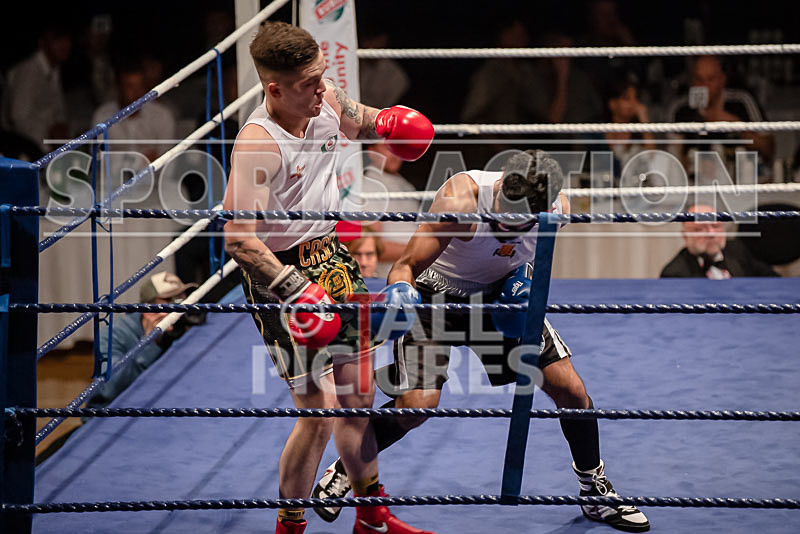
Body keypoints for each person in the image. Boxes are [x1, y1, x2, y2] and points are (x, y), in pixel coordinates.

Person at [313, 150, 651, 533]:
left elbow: (530, 259)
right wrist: (400, 292)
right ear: (503, 178)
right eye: (504, 211)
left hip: (498, 297)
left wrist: (520, 284)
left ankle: (594, 490)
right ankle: (348, 465)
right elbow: (406, 263)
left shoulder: (557, 211)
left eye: (517, 220)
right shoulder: (462, 199)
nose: (507, 223)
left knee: (571, 389)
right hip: (434, 296)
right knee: (417, 405)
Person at [221, 22, 435, 534]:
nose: (323, 89)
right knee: (317, 414)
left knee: (359, 399)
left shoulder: (326, 98)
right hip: (278, 275)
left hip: (332, 258)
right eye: (309, 83)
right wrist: (294, 288)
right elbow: (237, 239)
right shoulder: (258, 145)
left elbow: (365, 123)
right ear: (274, 89)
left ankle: (372, 518)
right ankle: (291, 526)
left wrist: (390, 122)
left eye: (322, 77)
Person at [85, 272, 199, 410]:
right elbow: (110, 389)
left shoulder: (181, 327)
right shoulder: (113, 335)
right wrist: (150, 342)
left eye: (182, 298)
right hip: (113, 413)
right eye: (171, 300)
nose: (179, 306)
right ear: (148, 309)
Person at [666, 56, 774, 179]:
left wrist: (734, 124)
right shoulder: (680, 108)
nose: (703, 86)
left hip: (740, 183)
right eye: (698, 79)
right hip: (695, 186)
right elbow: (673, 159)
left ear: (722, 80)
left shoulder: (740, 102)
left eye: (710, 79)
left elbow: (768, 149)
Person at [1, 22, 71, 152]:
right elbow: (19, 118)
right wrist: (48, 143)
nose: (64, 44)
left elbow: (58, 112)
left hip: (45, 145)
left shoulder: (54, 69)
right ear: (42, 42)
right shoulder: (28, 70)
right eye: (57, 39)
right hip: (19, 148)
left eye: (66, 38)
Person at [660, 204, 778, 278]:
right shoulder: (674, 274)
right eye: (700, 229)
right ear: (685, 236)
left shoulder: (737, 250)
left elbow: (772, 279)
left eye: (716, 226)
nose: (711, 234)